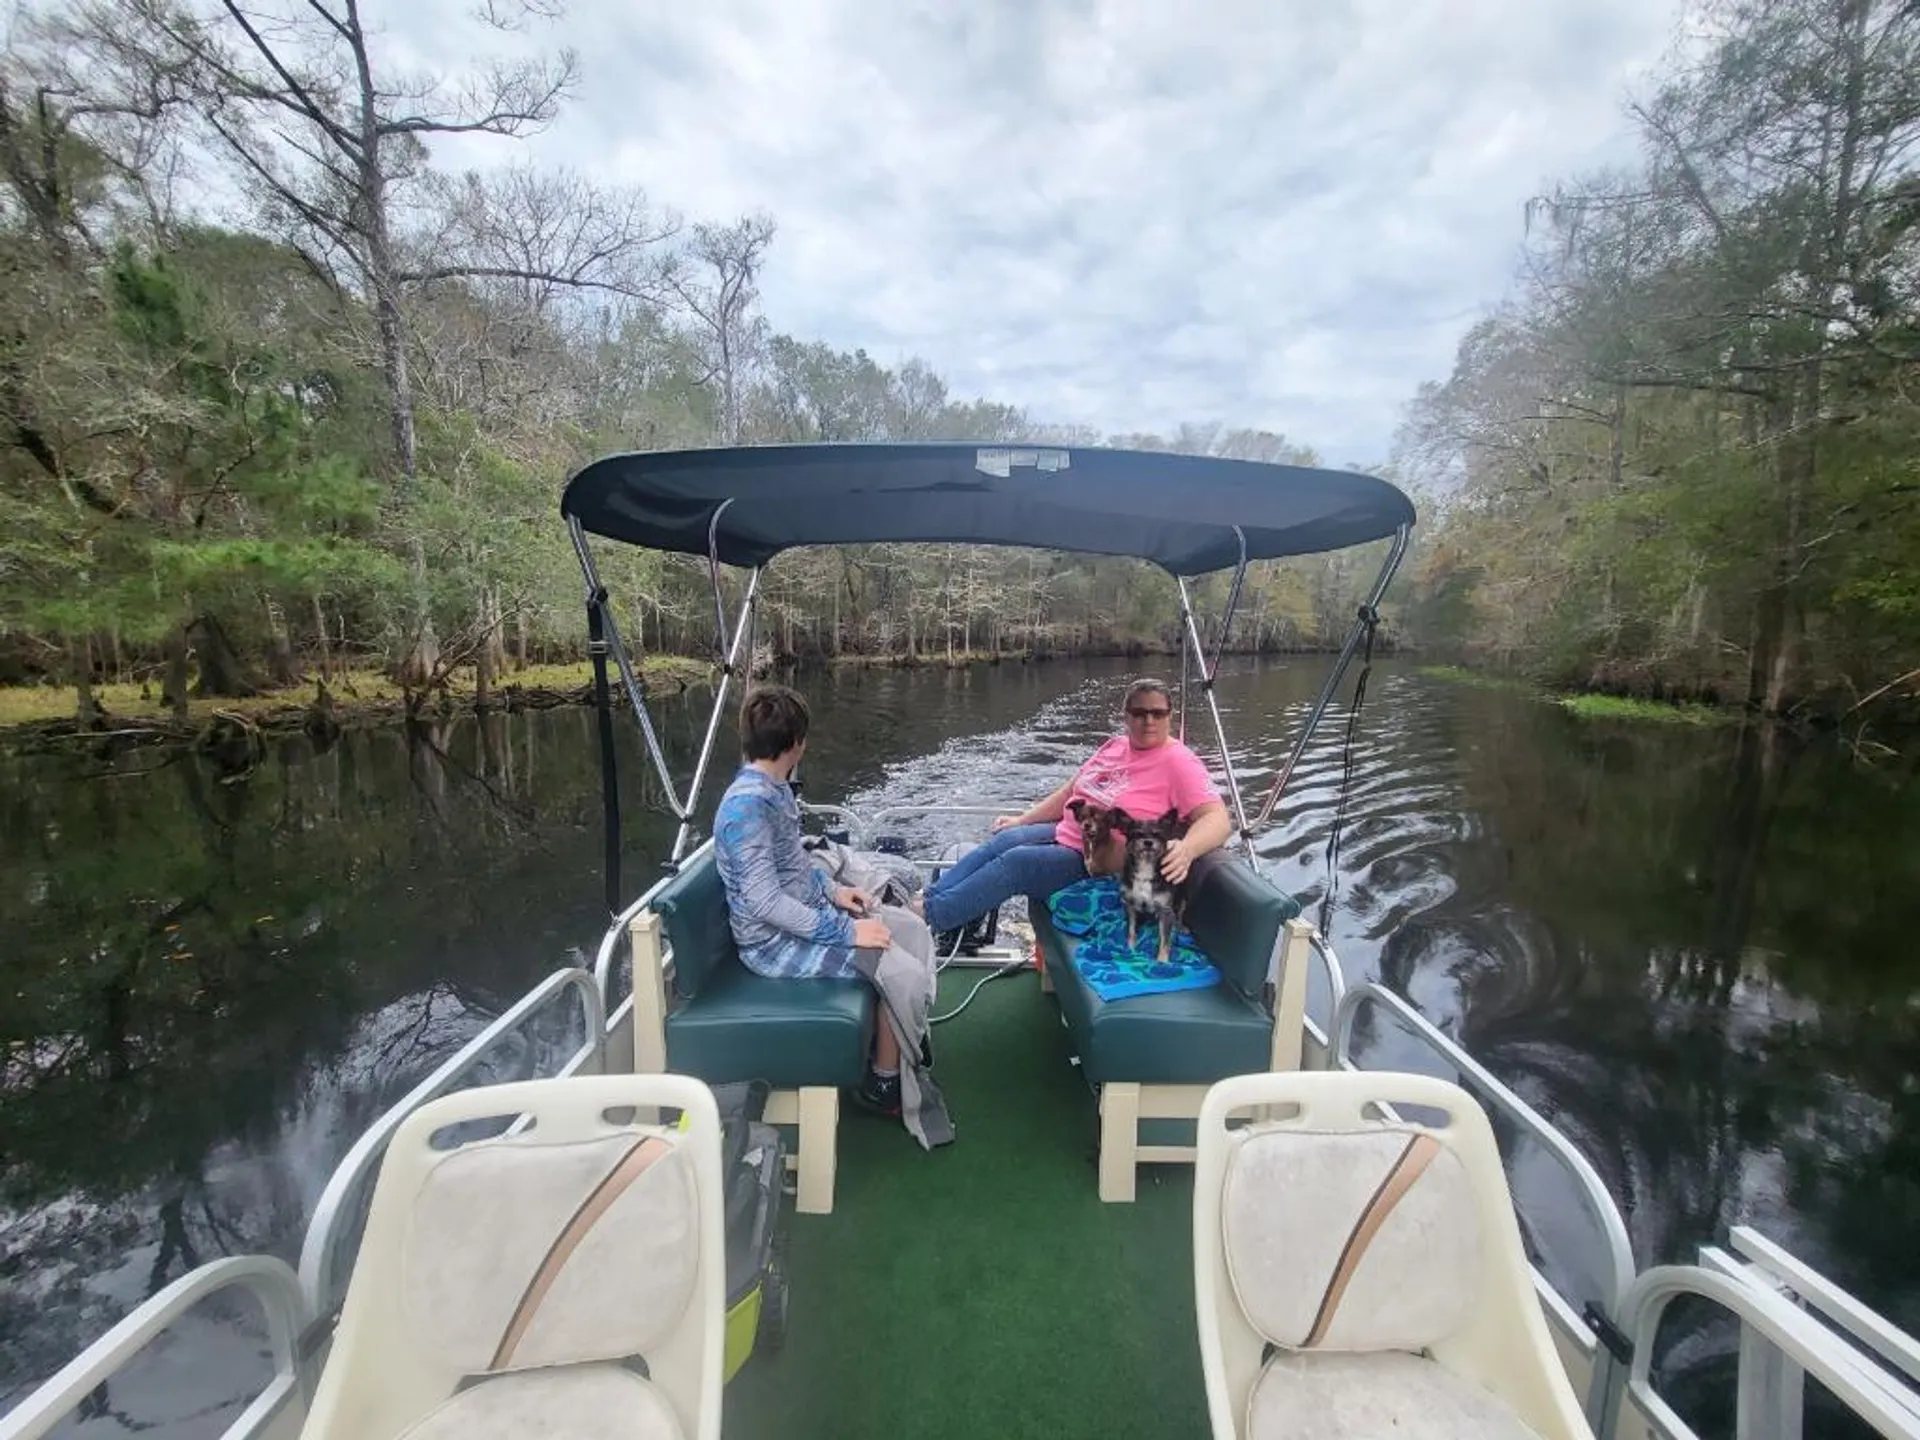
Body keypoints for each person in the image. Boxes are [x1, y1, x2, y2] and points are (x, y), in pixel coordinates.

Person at [714, 683, 909, 1115]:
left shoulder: (773, 789)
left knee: (900, 932)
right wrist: (846, 932)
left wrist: (835, 891)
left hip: (801, 921)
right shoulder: (746, 809)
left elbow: (794, 868)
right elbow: (766, 904)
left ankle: (892, 1054)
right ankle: (884, 1086)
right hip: (769, 945)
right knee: (891, 966)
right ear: (797, 744)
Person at [921, 677, 1233, 935]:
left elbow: (1217, 818)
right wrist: (1023, 820)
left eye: (1157, 713)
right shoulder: (1116, 746)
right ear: (1126, 716)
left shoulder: (1179, 762)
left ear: (1169, 715)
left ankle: (927, 917)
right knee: (1006, 840)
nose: (1148, 720)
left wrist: (1188, 849)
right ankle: (926, 900)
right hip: (1069, 835)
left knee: (1018, 862)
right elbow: (1073, 790)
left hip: (1098, 865)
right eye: (1138, 713)